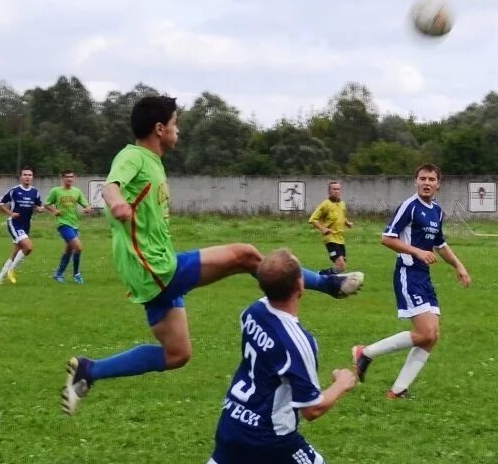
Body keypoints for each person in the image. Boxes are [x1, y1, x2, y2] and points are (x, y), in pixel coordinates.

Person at [61, 96, 363, 415]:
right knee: (245, 255)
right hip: (156, 268)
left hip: (150, 270)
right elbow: (111, 185)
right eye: (176, 123)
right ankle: (326, 283)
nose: (179, 130)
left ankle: (89, 370)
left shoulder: (153, 163)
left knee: (177, 354)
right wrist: (116, 200)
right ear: (159, 128)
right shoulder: (134, 155)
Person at [88, 249, 357, 464]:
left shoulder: (252, 312)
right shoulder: (299, 342)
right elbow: (313, 409)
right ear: (301, 285)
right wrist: (342, 383)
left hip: (235, 420)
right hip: (270, 436)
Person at [352, 163, 471, 399]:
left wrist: (459, 266)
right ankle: (365, 353)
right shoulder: (410, 206)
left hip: (423, 276)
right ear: (416, 181)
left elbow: (440, 245)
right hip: (407, 274)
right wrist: (416, 251)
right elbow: (387, 238)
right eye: (422, 178)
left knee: (432, 335)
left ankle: (398, 390)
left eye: (431, 179)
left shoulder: (436, 211)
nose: (427, 183)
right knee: (425, 332)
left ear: (439, 184)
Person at [0, 166, 46, 284]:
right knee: (28, 247)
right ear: (21, 177)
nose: (27, 177)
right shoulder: (14, 191)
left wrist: (41, 209)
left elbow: (39, 206)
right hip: (14, 224)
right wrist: (10, 213)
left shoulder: (35, 192)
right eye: (25, 175)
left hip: (26, 225)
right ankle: (11, 270)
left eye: (30, 175)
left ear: (32, 177)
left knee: (15, 253)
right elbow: (0, 202)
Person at [44, 170, 92, 284]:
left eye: (71, 177)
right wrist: (55, 210)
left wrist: (87, 209)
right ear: (63, 178)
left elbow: (86, 205)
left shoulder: (77, 192)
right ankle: (76, 274)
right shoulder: (56, 191)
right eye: (67, 177)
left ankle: (59, 274)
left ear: (74, 178)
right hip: (63, 224)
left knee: (69, 250)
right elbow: (47, 204)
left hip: (74, 224)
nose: (69, 179)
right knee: (79, 248)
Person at [308, 180, 353, 274]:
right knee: (340, 265)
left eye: (338, 189)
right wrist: (323, 229)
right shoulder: (325, 204)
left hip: (340, 239)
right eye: (334, 189)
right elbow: (313, 219)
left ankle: (329, 281)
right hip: (330, 239)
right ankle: (320, 274)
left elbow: (341, 216)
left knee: (342, 268)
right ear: (329, 191)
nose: (336, 191)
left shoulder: (342, 204)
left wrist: (347, 222)